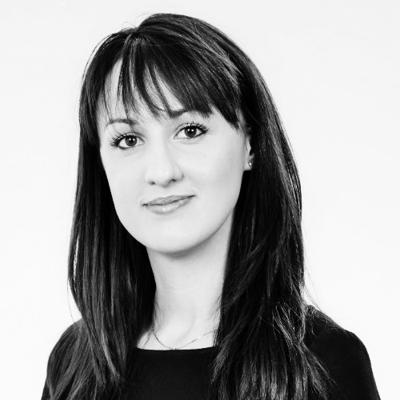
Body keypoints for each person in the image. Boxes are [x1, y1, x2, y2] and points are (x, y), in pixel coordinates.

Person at [41, 13, 381, 400]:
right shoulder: (73, 364)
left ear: (250, 144)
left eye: (190, 131)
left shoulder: (323, 363)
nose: (161, 171)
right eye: (128, 140)